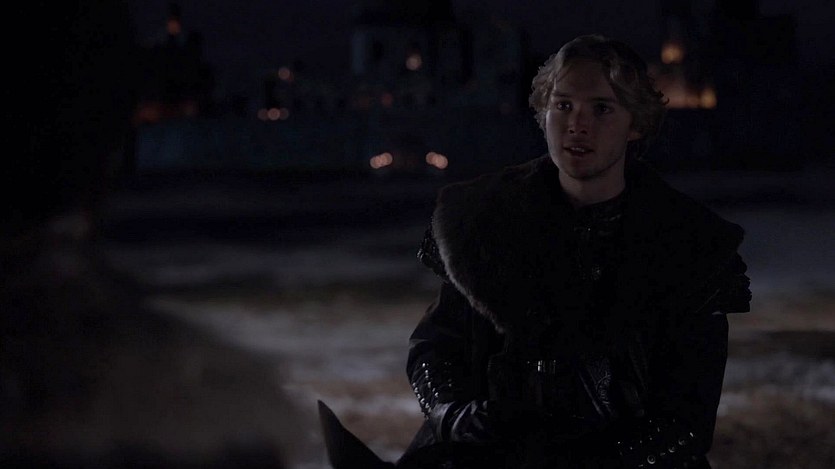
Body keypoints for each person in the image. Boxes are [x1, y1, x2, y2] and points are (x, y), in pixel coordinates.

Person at [400, 34, 752, 468]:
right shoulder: (483, 223)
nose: (576, 125)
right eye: (563, 105)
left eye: (601, 109)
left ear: (635, 123)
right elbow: (436, 348)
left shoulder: (689, 247)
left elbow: (686, 422)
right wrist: (454, 415)